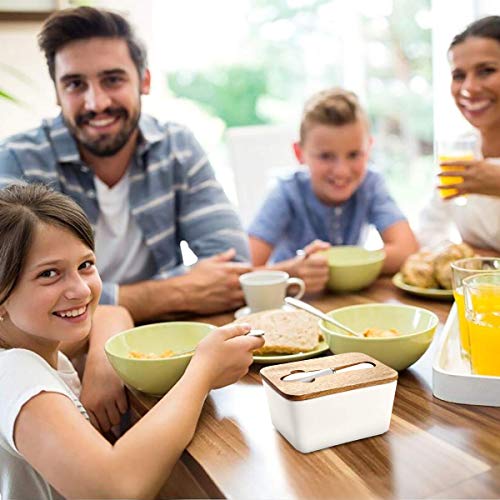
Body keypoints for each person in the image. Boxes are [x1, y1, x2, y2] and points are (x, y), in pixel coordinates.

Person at [0, 183, 263, 500]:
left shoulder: (35, 342)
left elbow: (111, 313)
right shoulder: (14, 371)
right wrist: (203, 371)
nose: (82, 290)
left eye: (85, 265)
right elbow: (115, 490)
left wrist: (101, 362)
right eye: (49, 274)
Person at [0, 6, 251, 322]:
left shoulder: (177, 147)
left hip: (160, 337)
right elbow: (13, 289)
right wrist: (176, 292)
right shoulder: (19, 158)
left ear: (144, 81)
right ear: (57, 93)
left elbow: (230, 266)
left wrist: (121, 301)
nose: (97, 103)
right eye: (75, 84)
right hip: (63, 349)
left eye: (113, 80)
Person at [248, 88, 418, 292]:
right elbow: (244, 271)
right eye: (326, 156)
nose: (341, 171)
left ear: (369, 148)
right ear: (299, 152)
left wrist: (349, 263)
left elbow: (407, 250)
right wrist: (293, 272)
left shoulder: (370, 183)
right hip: (294, 302)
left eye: (354, 154)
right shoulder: (286, 192)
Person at [418, 16, 500, 254]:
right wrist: (467, 259)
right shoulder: (460, 151)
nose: (469, 88)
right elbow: (429, 229)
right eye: (459, 75)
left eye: (486, 71)